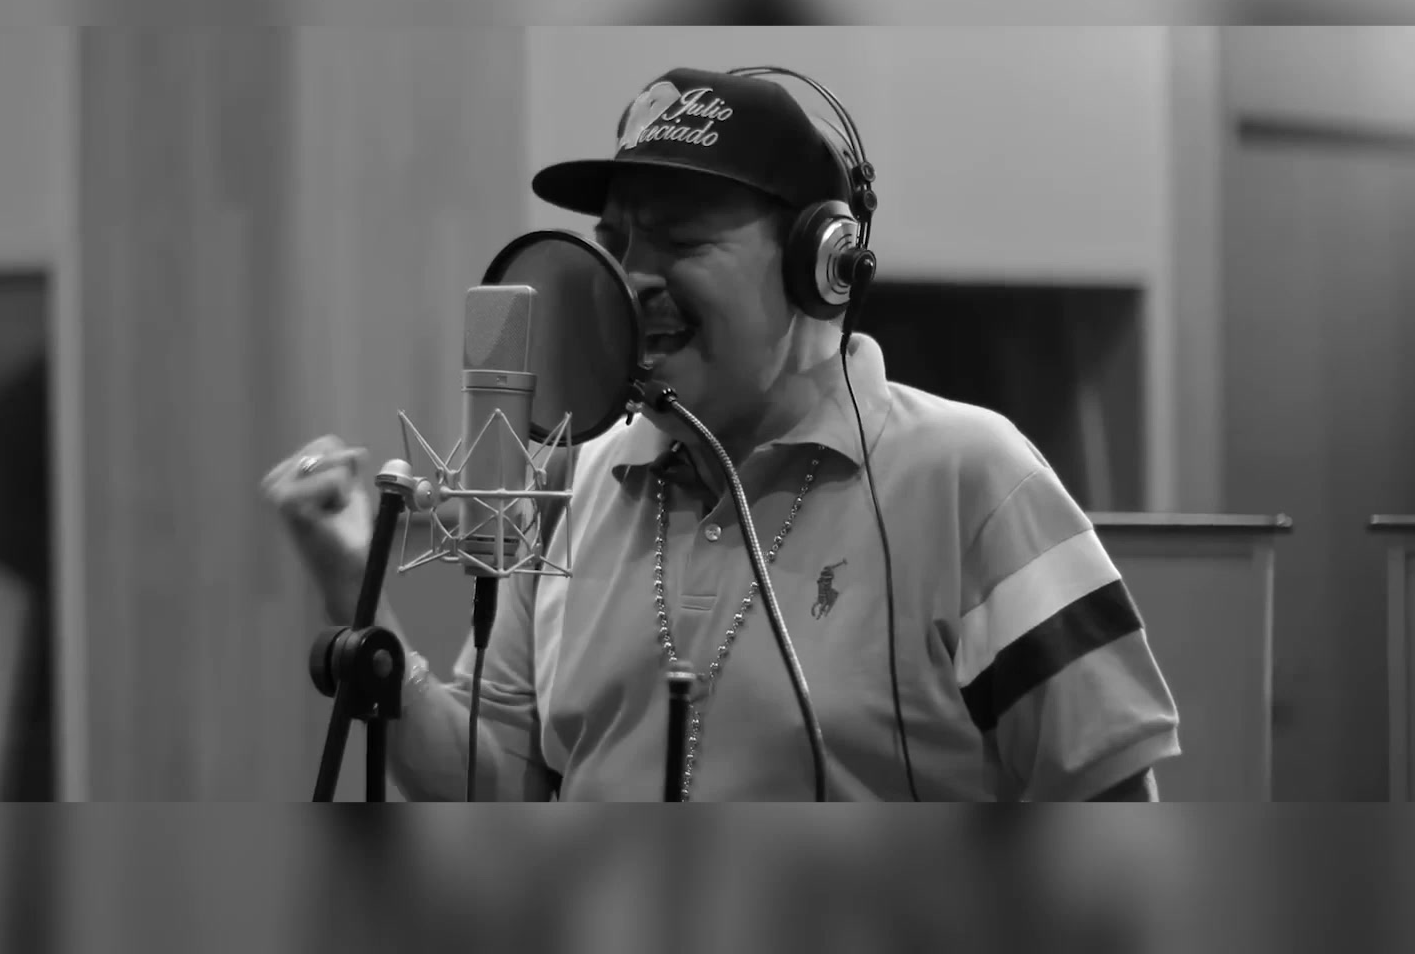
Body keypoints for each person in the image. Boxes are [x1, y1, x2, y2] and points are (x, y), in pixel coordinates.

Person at [264, 67, 1180, 801]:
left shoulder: (974, 480)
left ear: (819, 264)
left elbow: (1108, 811)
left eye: (680, 242)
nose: (631, 281)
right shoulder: (567, 485)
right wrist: (356, 592)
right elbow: (491, 789)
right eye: (617, 244)